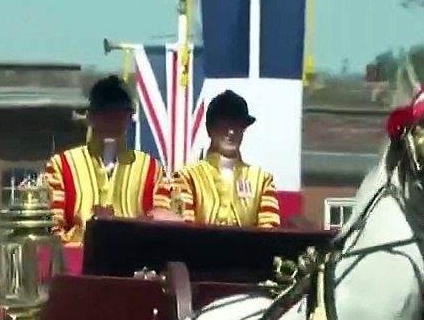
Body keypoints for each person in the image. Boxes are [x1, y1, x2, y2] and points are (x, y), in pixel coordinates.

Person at [42, 75, 174, 244]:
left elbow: (162, 224)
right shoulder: (61, 165)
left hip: (134, 263)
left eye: (119, 113)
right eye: (104, 113)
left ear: (129, 118)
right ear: (90, 117)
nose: (112, 121)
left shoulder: (151, 168)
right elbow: (53, 227)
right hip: (78, 262)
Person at [166, 90, 282, 228]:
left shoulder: (262, 181)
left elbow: (269, 233)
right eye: (224, 125)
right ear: (210, 129)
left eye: (237, 125)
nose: (231, 132)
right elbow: (183, 232)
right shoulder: (186, 178)